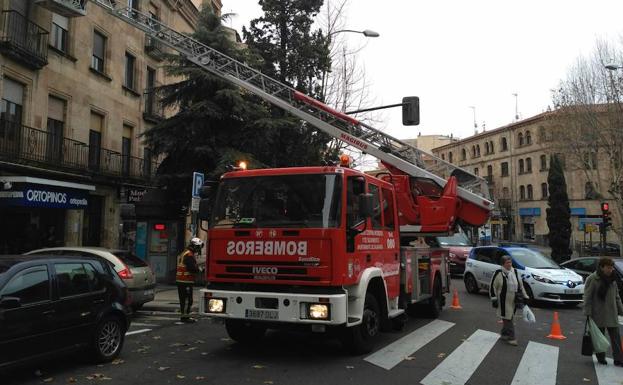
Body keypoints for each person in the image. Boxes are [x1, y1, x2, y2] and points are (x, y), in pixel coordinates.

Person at [583, 257, 623, 366]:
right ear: (602, 267)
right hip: (598, 313)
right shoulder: (593, 278)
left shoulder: (613, 279)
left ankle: (619, 359)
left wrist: (621, 310)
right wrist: (587, 311)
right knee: (599, 337)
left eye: (612, 268)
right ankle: (601, 357)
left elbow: (617, 297)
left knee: (616, 337)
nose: (611, 270)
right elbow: (588, 296)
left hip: (612, 312)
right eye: (608, 268)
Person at [489, 254, 529, 346]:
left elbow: (520, 285)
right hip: (503, 300)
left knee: (509, 317)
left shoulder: (515, 272)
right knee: (508, 318)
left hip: (514, 300)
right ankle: (512, 338)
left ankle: (504, 334)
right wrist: (494, 299)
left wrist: (525, 296)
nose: (509, 264)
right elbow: (492, 286)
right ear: (503, 264)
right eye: (507, 262)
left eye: (510, 262)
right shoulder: (498, 273)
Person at [175, 237, 203, 323]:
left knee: (184, 300)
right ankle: (185, 318)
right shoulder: (189, 255)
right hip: (185, 281)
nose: (198, 250)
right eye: (198, 247)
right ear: (194, 246)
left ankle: (184, 316)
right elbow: (192, 268)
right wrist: (199, 269)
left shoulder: (185, 253)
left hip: (182, 280)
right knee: (187, 300)